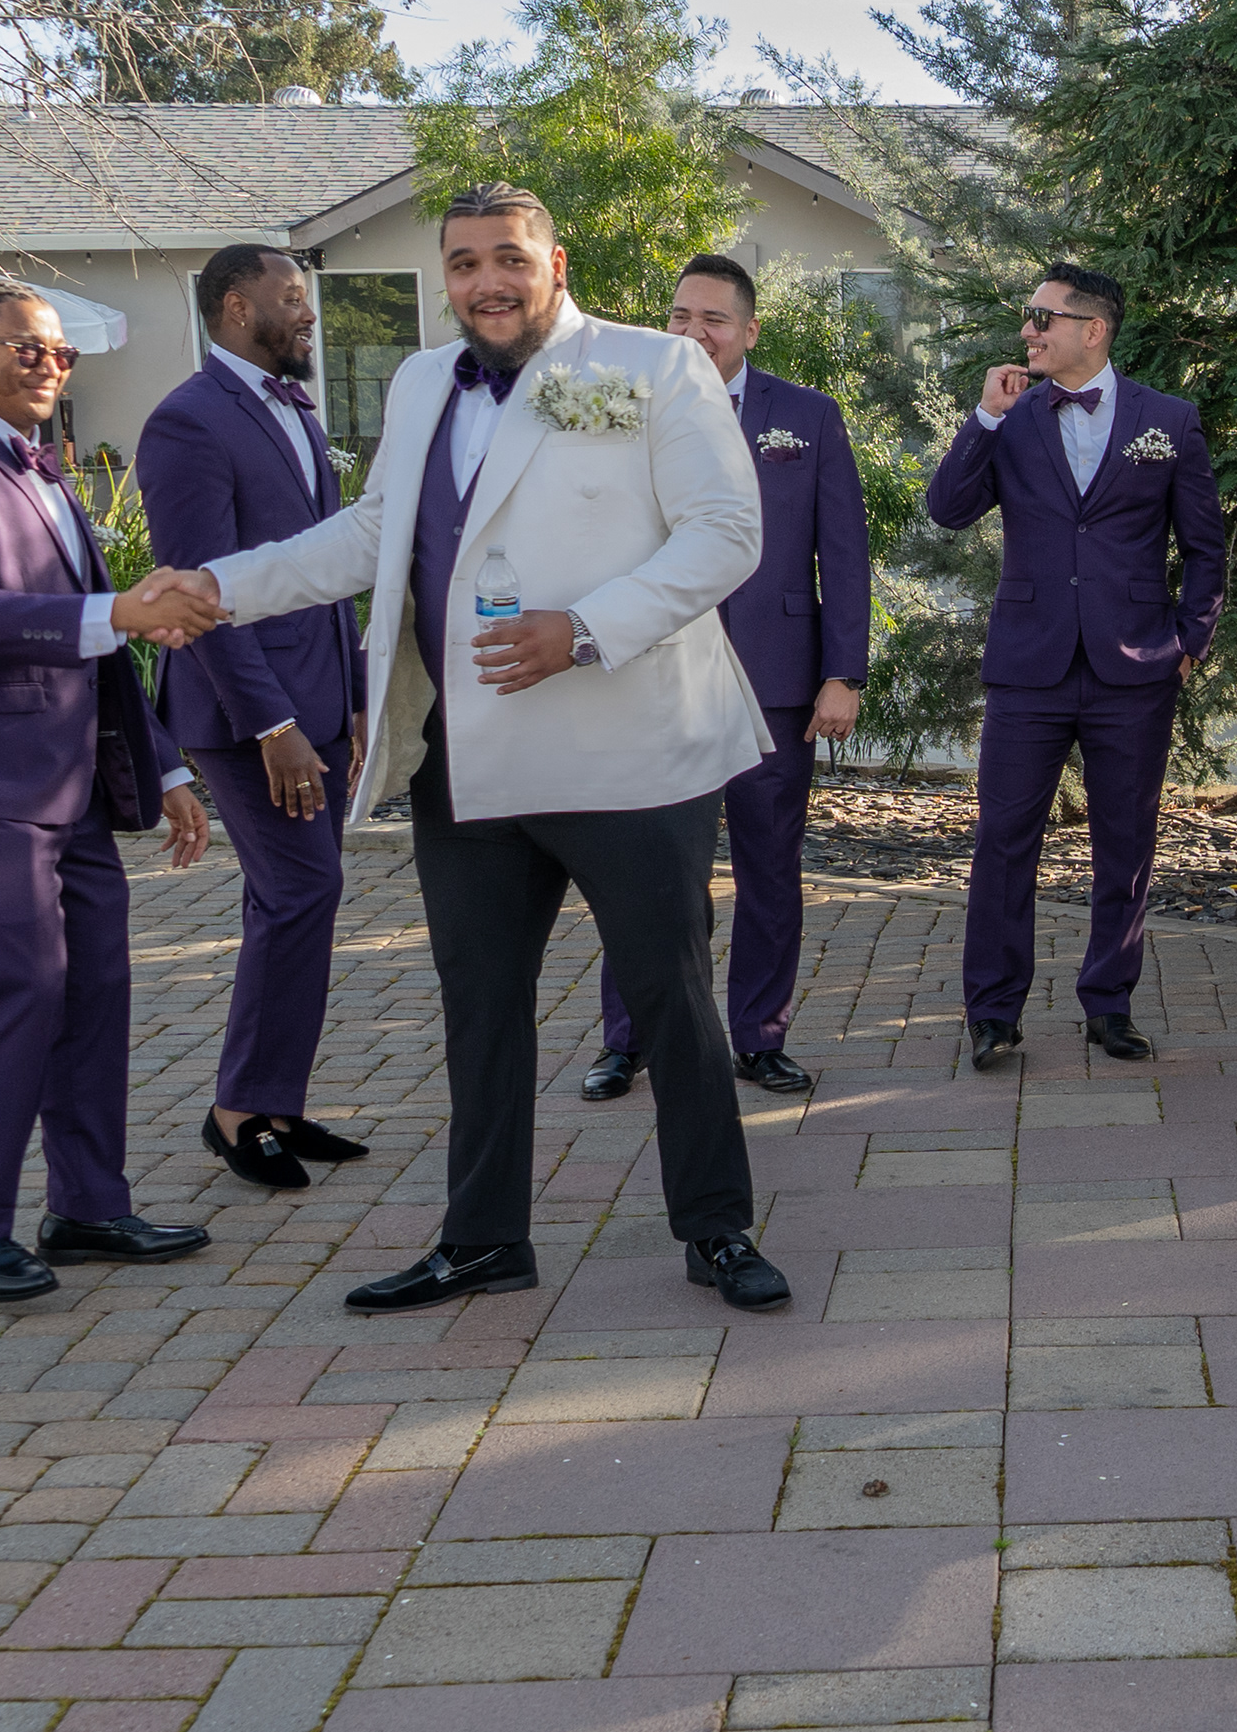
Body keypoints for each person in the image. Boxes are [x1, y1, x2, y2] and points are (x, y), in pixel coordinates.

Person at [159, 185, 792, 1314]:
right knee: (480, 1007)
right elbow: (374, 533)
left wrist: (584, 627)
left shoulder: (654, 366)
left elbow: (725, 534)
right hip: (466, 754)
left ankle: (716, 1227)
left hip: (627, 752)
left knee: (673, 1001)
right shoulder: (419, 382)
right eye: (463, 264)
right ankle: (484, 1237)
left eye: (508, 258)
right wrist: (220, 587)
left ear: (557, 263)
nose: (486, 282)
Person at [0, 276, 220, 1303]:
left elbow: (99, 638)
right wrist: (124, 613)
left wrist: (166, 763)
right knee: (20, 987)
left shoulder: (41, 466)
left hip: (69, 782)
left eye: (61, 352)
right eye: (28, 348)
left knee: (95, 988)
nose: (50, 365)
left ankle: (89, 1206)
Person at [923, 264, 1229, 1072]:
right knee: (1003, 841)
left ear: (1092, 330)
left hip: (1136, 667)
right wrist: (984, 419)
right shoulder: (1012, 415)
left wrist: (1188, 642)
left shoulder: (1169, 420)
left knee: (1125, 845)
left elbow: (1206, 547)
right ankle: (993, 1013)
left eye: (1042, 317)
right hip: (1029, 666)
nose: (1028, 330)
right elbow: (948, 509)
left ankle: (1110, 1005)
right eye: (1028, 316)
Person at [581, 255, 870, 1102]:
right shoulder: (623, 408)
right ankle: (629, 1038)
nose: (693, 332)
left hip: (774, 680)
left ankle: (759, 1038)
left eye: (712, 318)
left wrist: (843, 673)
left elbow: (843, 555)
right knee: (647, 871)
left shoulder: (807, 418)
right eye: (680, 316)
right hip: (653, 676)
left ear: (749, 330)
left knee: (769, 869)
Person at [135, 245, 373, 1195]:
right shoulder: (187, 422)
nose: (308, 314)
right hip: (244, 713)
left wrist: (353, 695)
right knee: (301, 889)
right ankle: (240, 1110)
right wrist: (274, 725)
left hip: (318, 696)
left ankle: (275, 1099)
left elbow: (327, 566)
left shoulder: (295, 407)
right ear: (237, 307)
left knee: (295, 896)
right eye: (292, 298)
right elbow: (198, 593)